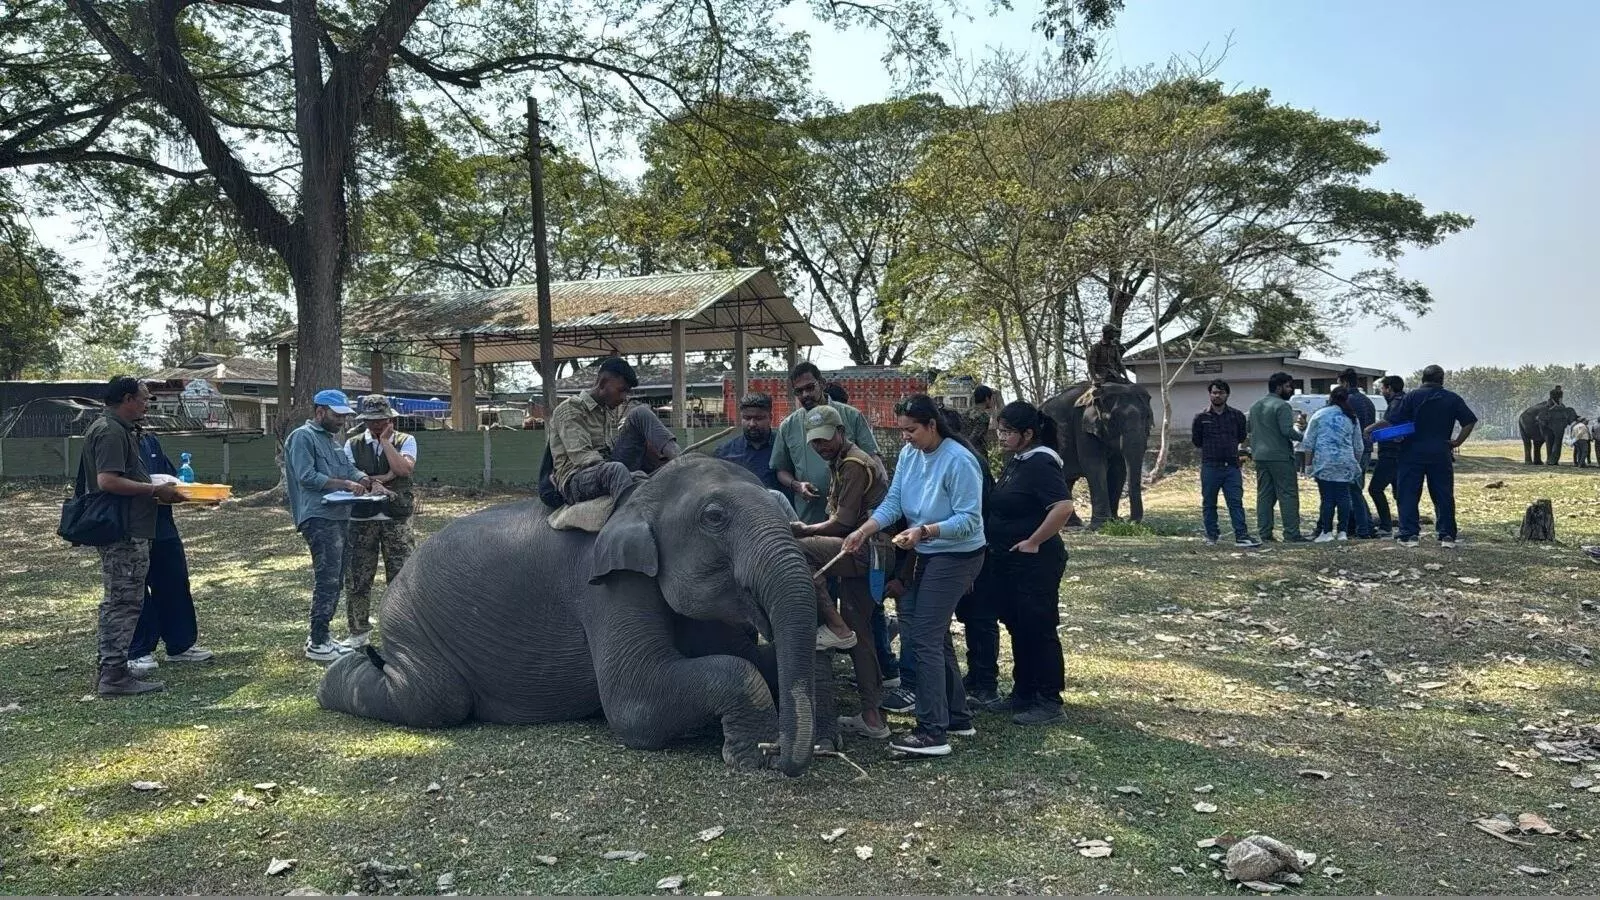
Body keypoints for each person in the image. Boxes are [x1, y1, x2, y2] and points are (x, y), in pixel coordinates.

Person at [843, 394, 985, 758]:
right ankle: (956, 716)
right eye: (902, 431)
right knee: (933, 637)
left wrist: (925, 532)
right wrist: (865, 530)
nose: (905, 437)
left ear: (932, 425)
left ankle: (932, 731)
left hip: (957, 554)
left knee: (922, 636)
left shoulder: (959, 460)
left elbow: (970, 520)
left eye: (911, 431)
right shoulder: (909, 455)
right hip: (927, 551)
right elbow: (894, 503)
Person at [970, 401, 1076, 726]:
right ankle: (1024, 692)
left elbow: (1063, 507)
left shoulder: (1041, 463)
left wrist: (1033, 541)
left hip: (1036, 563)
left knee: (1039, 628)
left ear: (1027, 434)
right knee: (1018, 626)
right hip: (1010, 561)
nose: (1000, 437)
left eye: (1007, 432)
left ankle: (1049, 699)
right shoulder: (1018, 461)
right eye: (999, 430)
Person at [790, 405, 893, 738]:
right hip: (865, 552)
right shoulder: (840, 462)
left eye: (825, 439)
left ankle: (834, 626)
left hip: (865, 550)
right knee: (860, 632)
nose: (821, 447)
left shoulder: (853, 464)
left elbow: (843, 523)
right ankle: (872, 718)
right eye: (815, 443)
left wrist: (803, 530)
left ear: (841, 432)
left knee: (797, 552)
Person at [79, 377, 186, 695]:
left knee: (120, 600)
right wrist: (155, 489)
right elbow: (107, 481)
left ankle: (111, 669)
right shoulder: (111, 430)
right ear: (127, 399)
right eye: (144, 398)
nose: (147, 404)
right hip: (123, 530)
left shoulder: (119, 429)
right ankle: (113, 675)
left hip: (130, 526)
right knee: (123, 602)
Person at [286, 388, 387, 662]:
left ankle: (324, 637)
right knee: (327, 580)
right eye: (337, 415)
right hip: (318, 517)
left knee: (337, 579)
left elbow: (347, 469)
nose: (342, 421)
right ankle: (318, 642)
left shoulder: (331, 441)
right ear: (320, 412)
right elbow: (307, 477)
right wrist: (346, 484)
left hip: (340, 515)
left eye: (345, 416)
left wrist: (366, 480)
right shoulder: (302, 437)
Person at [126, 427, 214, 678]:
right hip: (131, 525)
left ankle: (180, 645)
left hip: (162, 524)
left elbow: (171, 481)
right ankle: (139, 649)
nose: (147, 405)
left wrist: (198, 497)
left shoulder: (149, 439)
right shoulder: (113, 437)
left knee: (174, 581)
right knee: (136, 587)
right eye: (143, 399)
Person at [340, 395, 418, 651]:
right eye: (371, 420)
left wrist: (385, 442)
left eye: (381, 420)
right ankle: (358, 631)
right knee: (358, 577)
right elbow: (351, 476)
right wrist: (382, 478)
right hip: (362, 519)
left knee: (401, 577)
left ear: (390, 420)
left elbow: (404, 470)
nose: (376, 425)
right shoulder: (352, 445)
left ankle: (402, 630)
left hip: (396, 517)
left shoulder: (405, 440)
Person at [546, 357, 677, 505]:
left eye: (627, 392)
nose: (624, 398)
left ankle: (681, 460)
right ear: (602, 383)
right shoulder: (570, 409)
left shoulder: (606, 411)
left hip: (607, 469)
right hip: (577, 478)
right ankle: (630, 517)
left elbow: (611, 450)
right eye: (621, 390)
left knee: (640, 413)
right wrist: (628, 474)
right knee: (616, 470)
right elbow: (583, 458)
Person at [1372, 364, 1477, 548]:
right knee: (1443, 494)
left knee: (1408, 493)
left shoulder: (1411, 397)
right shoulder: (1452, 398)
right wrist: (1457, 441)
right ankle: (1447, 535)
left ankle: (1409, 534)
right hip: (1440, 452)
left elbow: (1393, 421)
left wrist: (1390, 435)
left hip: (1411, 452)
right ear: (1442, 379)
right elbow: (1469, 421)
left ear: (1423, 379)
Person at [771, 362, 879, 525]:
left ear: (821, 383)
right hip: (809, 515)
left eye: (810, 387)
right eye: (799, 391)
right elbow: (781, 470)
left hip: (853, 516)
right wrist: (797, 485)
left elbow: (873, 460)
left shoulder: (851, 416)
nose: (805, 394)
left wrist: (878, 508)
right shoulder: (788, 425)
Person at [1193, 379, 1261, 548]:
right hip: (1210, 466)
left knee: (1235, 502)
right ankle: (1211, 535)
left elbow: (1241, 437)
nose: (1217, 395)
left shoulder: (1237, 416)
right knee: (1209, 503)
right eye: (1214, 392)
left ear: (1227, 395)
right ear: (1210, 394)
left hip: (1231, 466)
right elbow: (1197, 441)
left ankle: (1242, 536)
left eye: (1221, 392)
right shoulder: (1201, 417)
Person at [1247, 373, 1305, 543]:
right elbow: (1287, 431)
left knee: (1265, 495)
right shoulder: (1282, 406)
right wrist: (1304, 436)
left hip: (1260, 456)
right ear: (1279, 387)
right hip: (1280, 456)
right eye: (1288, 386)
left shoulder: (1256, 406)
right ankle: (1292, 533)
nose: (1291, 390)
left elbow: (1249, 428)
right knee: (1288, 495)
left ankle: (1265, 533)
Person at [1302, 386, 1363, 543]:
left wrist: (1308, 465)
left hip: (1325, 461)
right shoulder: (1352, 417)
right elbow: (1358, 446)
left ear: (1330, 398)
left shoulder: (1320, 414)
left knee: (1327, 498)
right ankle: (1342, 532)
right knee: (1343, 497)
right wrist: (1355, 462)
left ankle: (1326, 531)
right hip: (1345, 461)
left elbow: (1308, 442)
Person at [715, 392, 791, 506]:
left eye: (758, 418)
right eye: (747, 418)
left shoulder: (786, 447)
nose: (752, 424)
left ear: (770, 418)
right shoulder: (725, 453)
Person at [1338, 369, 1378, 539]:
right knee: (1356, 487)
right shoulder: (1368, 401)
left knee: (1352, 489)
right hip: (1367, 449)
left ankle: (1365, 525)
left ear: (1345, 383)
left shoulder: (1347, 401)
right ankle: (1358, 525)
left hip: (1353, 449)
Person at [1367, 376, 1406, 535]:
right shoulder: (1405, 400)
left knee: (1375, 489)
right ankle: (1405, 525)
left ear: (1389, 388)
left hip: (1390, 453)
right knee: (1400, 492)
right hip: (1401, 452)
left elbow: (1388, 422)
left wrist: (1369, 429)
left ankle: (1385, 525)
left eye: (1383, 388)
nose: (1382, 392)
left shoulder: (1397, 402)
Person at [964, 386, 998, 457]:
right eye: (992, 398)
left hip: (964, 452)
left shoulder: (966, 413)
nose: (992, 401)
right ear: (987, 399)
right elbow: (975, 437)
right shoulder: (983, 416)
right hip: (977, 454)